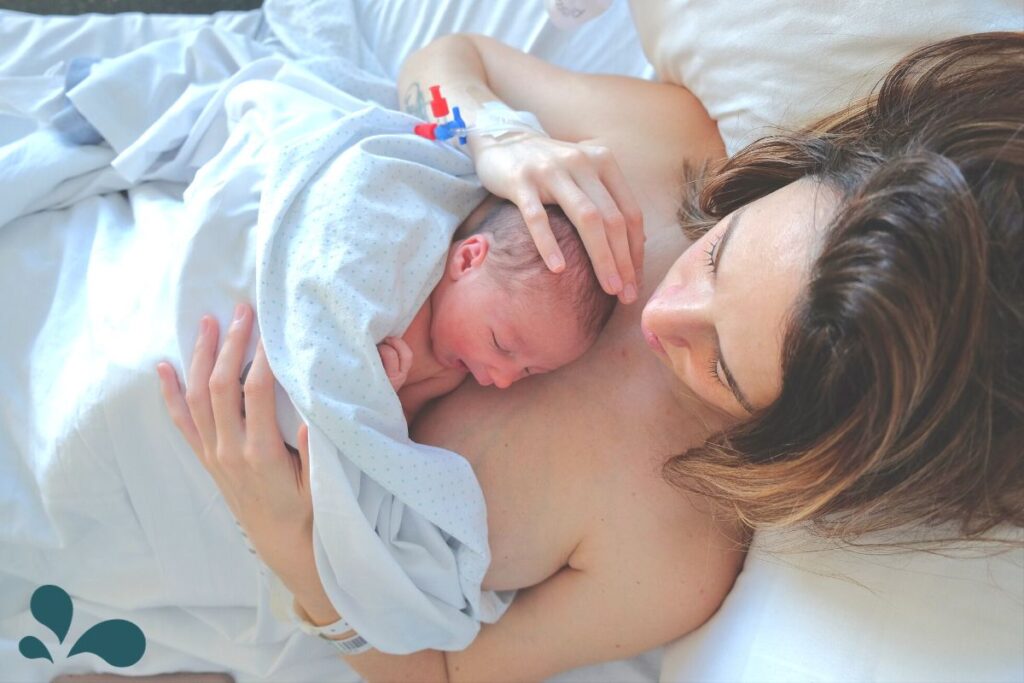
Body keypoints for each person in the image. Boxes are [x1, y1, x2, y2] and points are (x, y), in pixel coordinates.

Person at [157, 32, 1022, 682]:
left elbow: (444, 674)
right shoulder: (663, 148)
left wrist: (291, 545)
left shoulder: (671, 551)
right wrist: (492, 134)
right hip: (188, 258)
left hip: (201, 503)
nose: (662, 312)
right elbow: (444, 61)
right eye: (718, 253)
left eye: (720, 363)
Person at [377, 199, 615, 421]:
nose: (501, 380)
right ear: (468, 260)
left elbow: (398, 421)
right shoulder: (410, 266)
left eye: (528, 371)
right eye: (499, 344)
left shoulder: (444, 375)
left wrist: (387, 389)